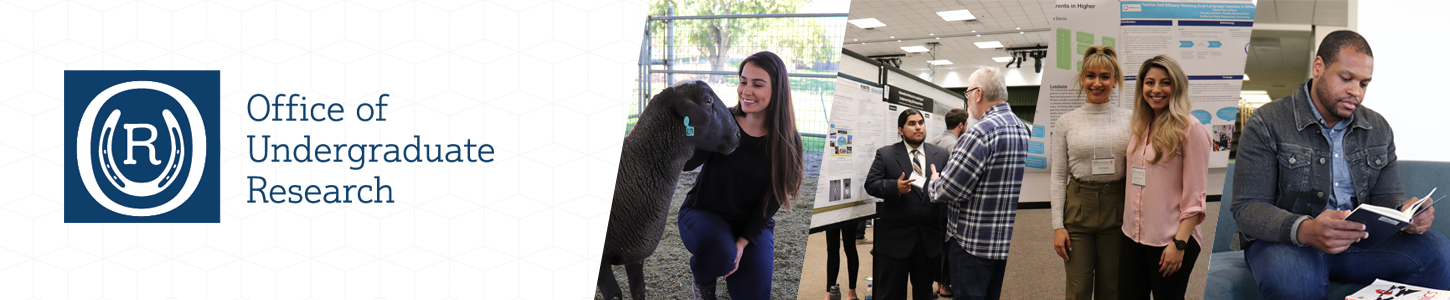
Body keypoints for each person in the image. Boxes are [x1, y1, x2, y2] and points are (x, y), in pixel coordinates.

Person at [1230, 30, 1450, 300]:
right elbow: (1247, 207)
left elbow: (1387, 196)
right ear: (1319, 66)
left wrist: (1405, 214)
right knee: (1295, 283)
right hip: (1288, 244)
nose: (1355, 92)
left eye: (1364, 84)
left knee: (1439, 251)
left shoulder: (1377, 127)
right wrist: (1306, 229)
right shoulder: (1266, 122)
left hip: (1358, 244)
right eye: (1346, 78)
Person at [677, 51, 805, 299]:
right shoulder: (721, 121)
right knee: (719, 253)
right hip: (703, 214)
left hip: (751, 224)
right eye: (743, 81)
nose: (746, 90)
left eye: (757, 84)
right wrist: (687, 127)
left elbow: (773, 200)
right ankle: (703, 283)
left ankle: (728, 252)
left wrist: (743, 243)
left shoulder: (789, 142)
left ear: (777, 89)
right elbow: (687, 164)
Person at [927, 67, 1030, 300]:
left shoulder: (980, 133)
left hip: (972, 246)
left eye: (967, 93)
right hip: (1005, 242)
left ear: (978, 94)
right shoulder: (1024, 129)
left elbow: (949, 190)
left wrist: (934, 181)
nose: (968, 100)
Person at [1116, 55, 1208, 300]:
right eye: (1149, 82)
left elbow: (1195, 195)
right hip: (1132, 236)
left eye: (1165, 83)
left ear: (1176, 86)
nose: (1156, 90)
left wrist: (1179, 244)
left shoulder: (1190, 129)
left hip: (1170, 241)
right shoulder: (1141, 125)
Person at [1048, 45, 1133, 300]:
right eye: (1091, 76)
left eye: (1105, 77)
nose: (1097, 83)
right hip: (1077, 211)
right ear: (1082, 79)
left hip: (1117, 209)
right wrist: (1057, 226)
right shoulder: (1066, 121)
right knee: (1078, 289)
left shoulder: (1131, 119)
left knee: (1112, 288)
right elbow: (1058, 175)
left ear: (1115, 81)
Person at [864, 108, 950, 300]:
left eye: (920, 122)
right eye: (912, 123)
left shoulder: (941, 154)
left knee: (924, 293)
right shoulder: (886, 154)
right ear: (901, 130)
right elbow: (871, 184)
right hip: (895, 241)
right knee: (891, 294)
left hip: (929, 240)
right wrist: (895, 187)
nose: (918, 127)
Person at [928, 107, 968, 297]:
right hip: (946, 204)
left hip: (930, 200)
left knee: (935, 246)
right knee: (946, 246)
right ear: (961, 125)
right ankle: (944, 285)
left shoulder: (933, 141)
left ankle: (936, 283)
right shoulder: (956, 145)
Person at [823, 220, 861, 300]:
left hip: (848, 211)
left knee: (850, 247)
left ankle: (852, 291)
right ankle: (829, 292)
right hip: (832, 211)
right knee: (832, 249)